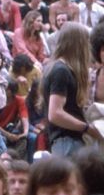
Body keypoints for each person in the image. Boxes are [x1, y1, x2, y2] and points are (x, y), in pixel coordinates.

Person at [42, 22, 98, 157]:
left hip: (70, 142)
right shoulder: (60, 70)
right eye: (87, 42)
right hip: (66, 143)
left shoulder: (62, 69)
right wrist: (87, 128)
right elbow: (55, 114)